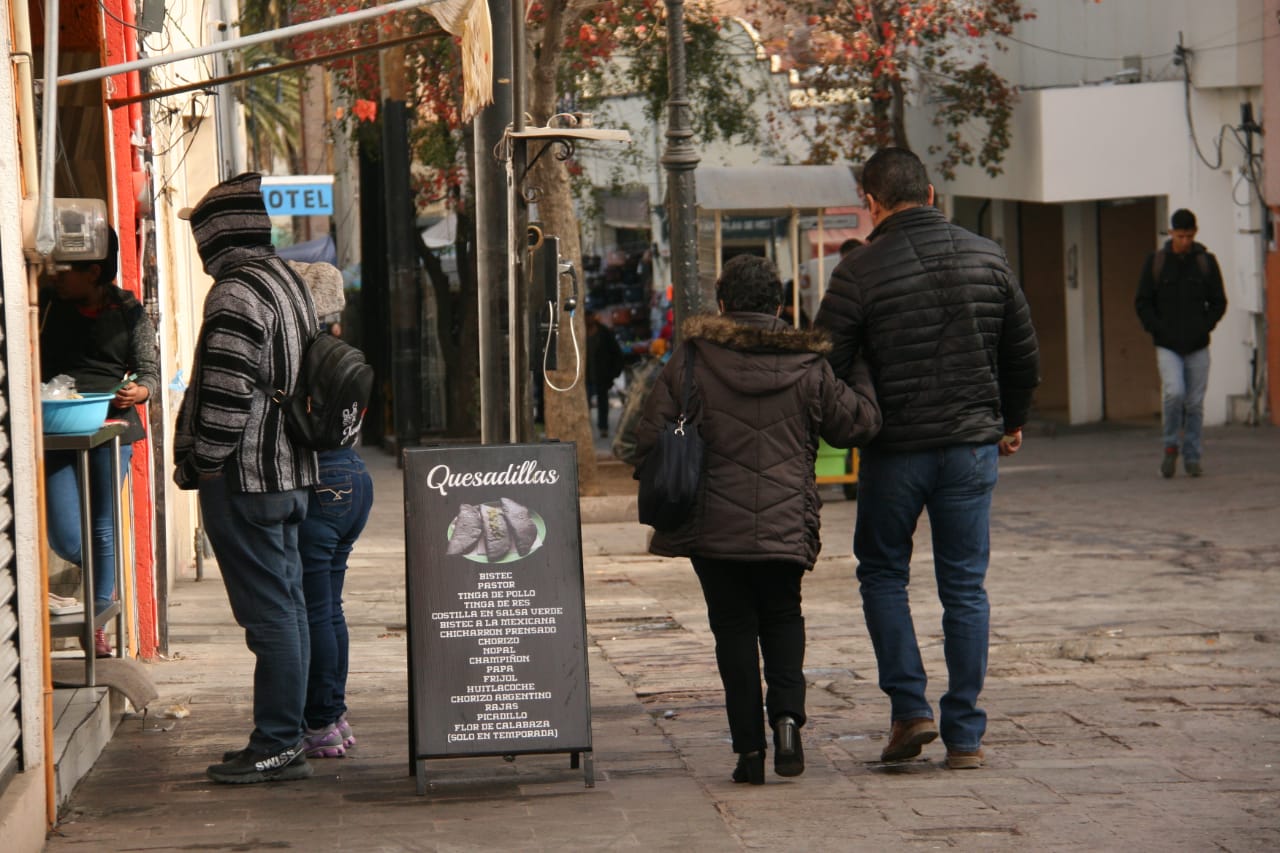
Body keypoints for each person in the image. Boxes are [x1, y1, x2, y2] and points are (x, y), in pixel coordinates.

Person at [814, 147, 1040, 770]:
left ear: (870, 202)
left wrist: (858, 414)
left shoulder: (858, 273)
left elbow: (825, 365)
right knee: (964, 587)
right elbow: (1022, 353)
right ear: (932, 194)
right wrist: (1010, 420)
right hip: (971, 448)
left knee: (884, 573)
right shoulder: (988, 256)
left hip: (895, 453)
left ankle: (910, 710)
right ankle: (965, 735)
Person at [635, 255, 881, 784]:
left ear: (722, 303)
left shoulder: (693, 359)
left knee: (733, 632)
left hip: (711, 527)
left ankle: (749, 751)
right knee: (783, 617)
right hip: (785, 521)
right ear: (779, 305)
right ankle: (788, 721)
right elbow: (855, 426)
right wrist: (858, 368)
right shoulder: (810, 363)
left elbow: (645, 439)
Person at [173, 172, 319, 784]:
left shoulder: (235, 292)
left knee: (270, 617)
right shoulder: (287, 280)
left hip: (247, 480)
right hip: (288, 474)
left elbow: (229, 395)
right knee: (289, 609)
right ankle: (285, 737)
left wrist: (203, 463)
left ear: (219, 234)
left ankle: (278, 744)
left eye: (202, 233)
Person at [40, 225, 159, 657]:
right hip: (57, 426)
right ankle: (102, 588)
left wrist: (139, 391)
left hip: (112, 428)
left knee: (104, 528)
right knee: (66, 537)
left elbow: (149, 372)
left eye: (66, 268)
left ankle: (96, 622)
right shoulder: (45, 305)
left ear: (93, 271)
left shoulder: (128, 310)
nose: (56, 275)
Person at [287, 261, 374, 759]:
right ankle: (333, 714)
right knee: (330, 607)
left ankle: (321, 720)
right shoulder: (341, 350)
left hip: (323, 482)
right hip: (353, 476)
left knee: (316, 609)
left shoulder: (302, 354)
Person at [1134, 208, 1227, 478]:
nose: (1184, 241)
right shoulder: (1156, 262)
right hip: (1167, 344)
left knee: (1195, 403)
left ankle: (1192, 455)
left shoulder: (1205, 262)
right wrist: (1157, 329)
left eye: (1189, 236)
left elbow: (1219, 301)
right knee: (1174, 393)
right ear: (1171, 232)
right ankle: (1170, 445)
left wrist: (1205, 326)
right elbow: (1142, 302)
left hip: (1198, 344)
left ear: (1194, 234)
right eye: (1180, 236)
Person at [585, 312, 625, 437]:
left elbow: (616, 353)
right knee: (585, 403)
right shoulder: (580, 333)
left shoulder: (604, 333)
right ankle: (586, 428)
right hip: (586, 375)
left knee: (602, 401)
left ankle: (603, 427)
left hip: (601, 374)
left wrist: (613, 373)